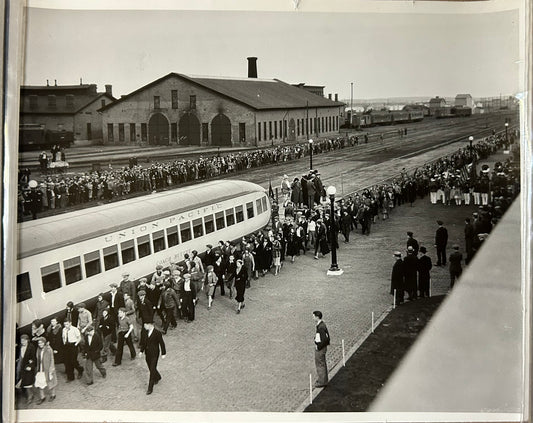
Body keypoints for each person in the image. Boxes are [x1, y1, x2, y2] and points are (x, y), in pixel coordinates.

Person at [139, 320, 166, 395]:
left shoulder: (157, 333)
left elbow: (161, 343)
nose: (144, 326)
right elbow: (144, 343)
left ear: (150, 325)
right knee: (150, 367)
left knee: (152, 369)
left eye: (145, 325)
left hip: (155, 354)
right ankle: (158, 376)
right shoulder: (145, 332)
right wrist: (141, 351)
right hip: (147, 353)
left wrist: (163, 353)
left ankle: (150, 388)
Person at [34, 336, 58, 404]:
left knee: (50, 382)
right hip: (40, 369)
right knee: (40, 383)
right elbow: (38, 359)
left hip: (47, 369)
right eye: (39, 343)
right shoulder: (38, 349)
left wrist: (51, 368)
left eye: (41, 343)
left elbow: (52, 359)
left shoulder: (48, 349)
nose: (40, 344)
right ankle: (42, 397)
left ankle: (53, 395)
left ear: (44, 343)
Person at [15, 334, 36, 405]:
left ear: (27, 340)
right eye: (21, 341)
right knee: (22, 380)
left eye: (24, 341)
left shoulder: (31, 347)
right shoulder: (21, 347)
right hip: (22, 366)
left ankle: (30, 396)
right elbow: (21, 356)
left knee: (28, 382)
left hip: (28, 367)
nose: (22, 342)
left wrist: (30, 366)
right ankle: (27, 394)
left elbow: (33, 358)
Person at [313, 311, 330, 388]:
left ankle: (322, 382)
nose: (313, 318)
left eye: (313, 316)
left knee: (320, 364)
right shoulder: (322, 325)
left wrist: (318, 346)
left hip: (320, 349)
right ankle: (324, 380)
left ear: (317, 317)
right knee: (322, 363)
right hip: (323, 348)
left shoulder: (320, 327)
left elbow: (324, 339)